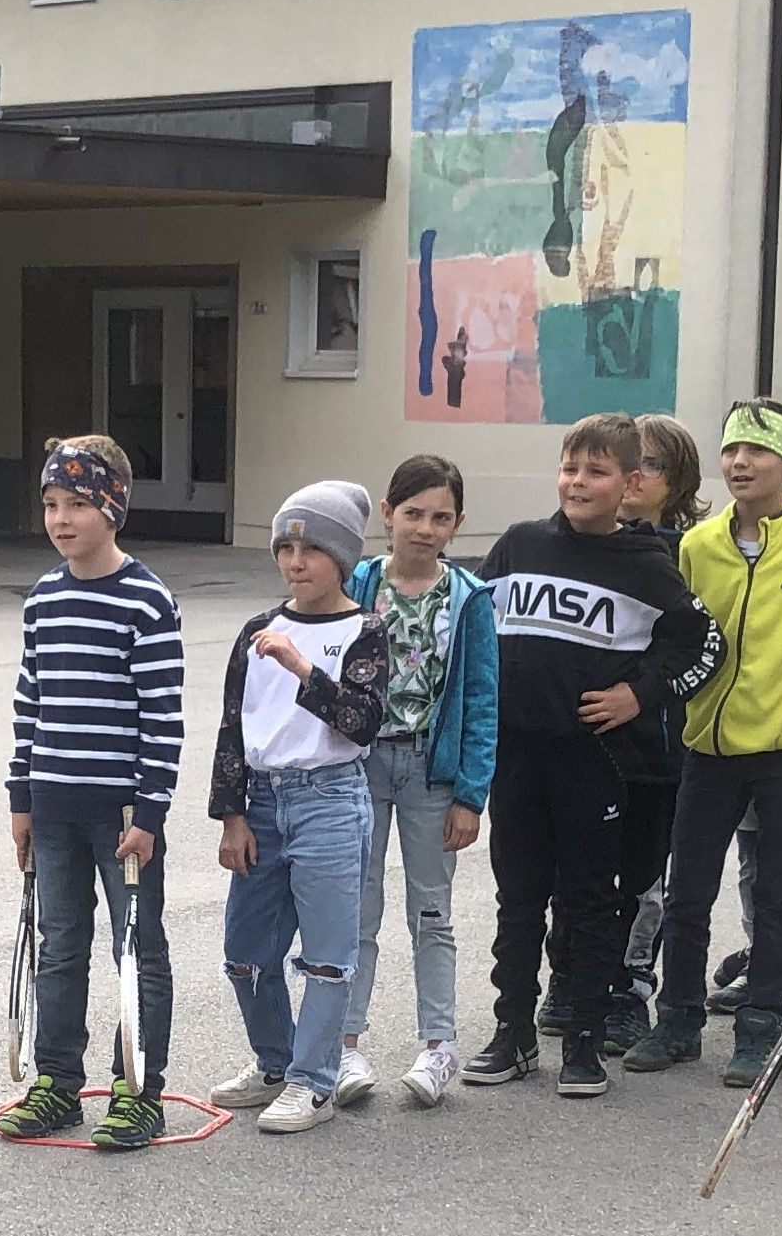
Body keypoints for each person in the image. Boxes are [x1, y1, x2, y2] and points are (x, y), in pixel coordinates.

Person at [467, 413, 722, 1100]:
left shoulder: (646, 565)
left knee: (590, 902)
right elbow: (470, 628)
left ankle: (584, 1042)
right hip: (518, 758)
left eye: (597, 471)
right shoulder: (519, 545)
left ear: (630, 483)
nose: (578, 482)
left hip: (593, 762)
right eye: (569, 468)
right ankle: (513, 1031)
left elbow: (703, 645)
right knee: (518, 900)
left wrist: (639, 697)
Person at [641, 397, 782, 1087]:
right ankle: (677, 1020)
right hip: (708, 745)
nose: (739, 462)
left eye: (757, 452)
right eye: (732, 450)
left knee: (778, 895)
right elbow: (679, 642)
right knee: (687, 892)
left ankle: (762, 1027)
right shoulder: (698, 546)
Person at [0, 436, 190, 1152]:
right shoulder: (44, 598)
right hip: (52, 806)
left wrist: (150, 810)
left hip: (122, 815)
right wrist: (21, 796)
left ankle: (139, 1090)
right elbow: (29, 704)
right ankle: (55, 1082)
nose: (61, 518)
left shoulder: (145, 601)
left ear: (112, 507)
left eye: (77, 503)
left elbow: (163, 717)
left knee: (135, 948)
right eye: (50, 503)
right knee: (61, 944)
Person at [209, 481, 392, 1134]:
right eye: (286, 546)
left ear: (341, 557)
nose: (296, 561)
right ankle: (276, 1060)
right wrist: (231, 815)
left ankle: (314, 1081)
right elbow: (234, 727)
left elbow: (363, 721)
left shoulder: (364, 631)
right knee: (244, 950)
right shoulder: (256, 630)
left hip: (331, 799)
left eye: (312, 547)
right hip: (262, 799)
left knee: (326, 954)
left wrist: (301, 668)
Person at [341, 454, 497, 1112]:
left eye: (440, 517)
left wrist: (471, 793)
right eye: (413, 514)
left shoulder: (469, 599)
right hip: (362, 766)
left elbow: (484, 699)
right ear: (387, 513)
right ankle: (342, 1042)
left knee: (431, 911)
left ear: (457, 524)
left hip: (432, 772)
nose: (425, 528)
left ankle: (438, 1045)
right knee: (357, 907)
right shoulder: (357, 583)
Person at [605, 415, 711, 1043]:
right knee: (581, 871)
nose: (636, 475)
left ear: (678, 483)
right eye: (628, 461)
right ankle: (575, 977)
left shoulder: (689, 554)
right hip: (591, 744)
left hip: (662, 745)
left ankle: (631, 987)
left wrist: (648, 697)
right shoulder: (583, 542)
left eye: (653, 465)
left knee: (645, 874)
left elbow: (703, 646)